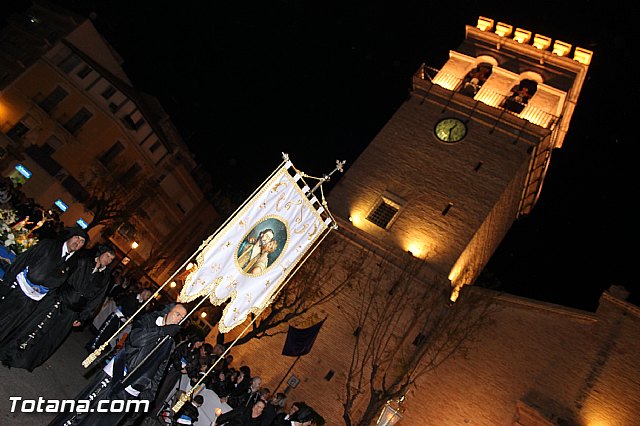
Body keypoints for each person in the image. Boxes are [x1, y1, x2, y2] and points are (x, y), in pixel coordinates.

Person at [48, 303, 188, 426]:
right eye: (177, 314)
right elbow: (136, 339)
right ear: (167, 311)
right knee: (84, 411)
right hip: (115, 375)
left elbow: (159, 370)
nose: (179, 319)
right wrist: (162, 331)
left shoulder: (170, 343)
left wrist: (148, 396)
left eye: (182, 318)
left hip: (132, 389)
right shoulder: (149, 320)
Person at [0, 244, 115, 371]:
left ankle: (24, 360)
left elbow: (96, 300)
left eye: (111, 259)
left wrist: (83, 317)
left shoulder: (104, 278)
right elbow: (64, 277)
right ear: (101, 253)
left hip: (72, 311)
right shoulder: (84, 262)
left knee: (49, 337)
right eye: (107, 256)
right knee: (33, 326)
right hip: (58, 300)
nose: (108, 260)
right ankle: (9, 352)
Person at [0, 227, 87, 343]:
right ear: (70, 237)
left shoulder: (73, 263)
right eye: (77, 237)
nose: (78, 242)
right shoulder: (49, 245)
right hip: (19, 288)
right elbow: (24, 259)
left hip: (34, 300)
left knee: (10, 326)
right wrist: (7, 283)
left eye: (82, 241)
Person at [87, 287, 153, 352]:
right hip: (116, 316)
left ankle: (98, 349)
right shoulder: (132, 296)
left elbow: (139, 316)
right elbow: (123, 303)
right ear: (144, 292)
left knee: (109, 335)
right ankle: (92, 346)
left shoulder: (142, 305)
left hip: (123, 322)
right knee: (104, 331)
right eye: (148, 295)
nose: (148, 297)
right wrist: (128, 314)